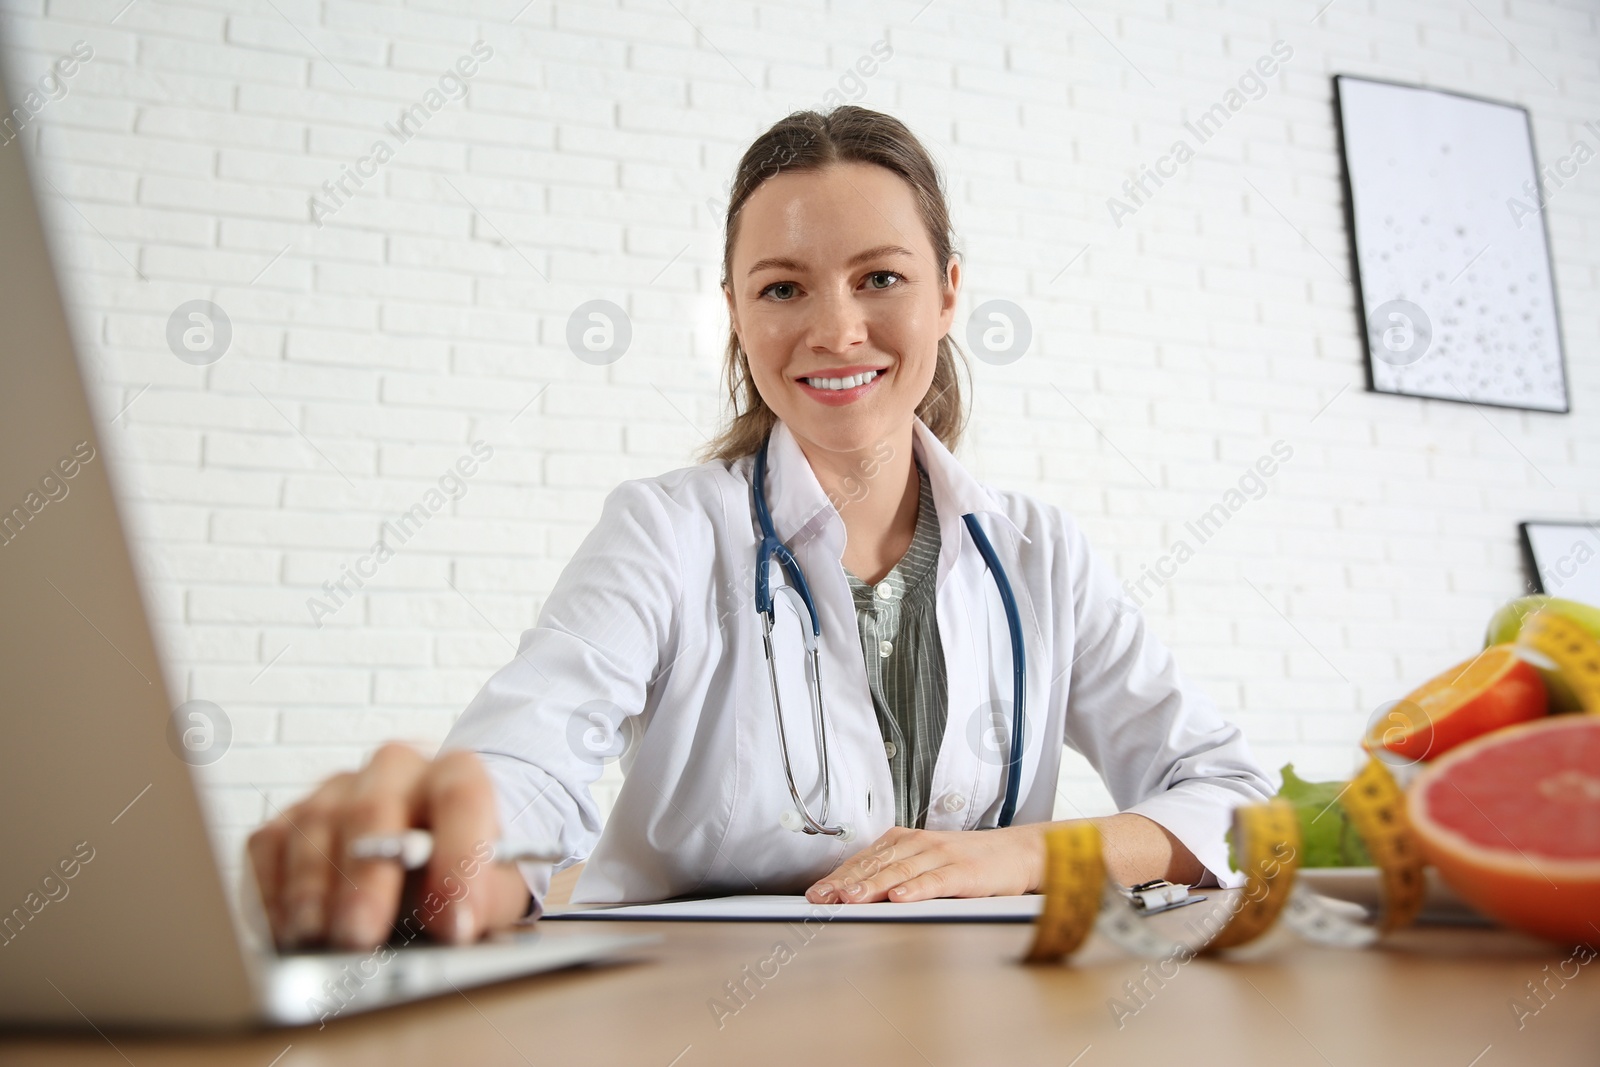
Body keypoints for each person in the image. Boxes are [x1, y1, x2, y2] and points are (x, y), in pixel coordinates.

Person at [248, 105, 1275, 950]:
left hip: (982, 1013)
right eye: (783, 287)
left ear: (950, 293)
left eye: (880, 277)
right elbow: (529, 758)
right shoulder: (666, 529)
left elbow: (1234, 800)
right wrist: (448, 843)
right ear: (737, 313)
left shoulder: (1038, 556)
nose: (835, 329)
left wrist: (1023, 854)